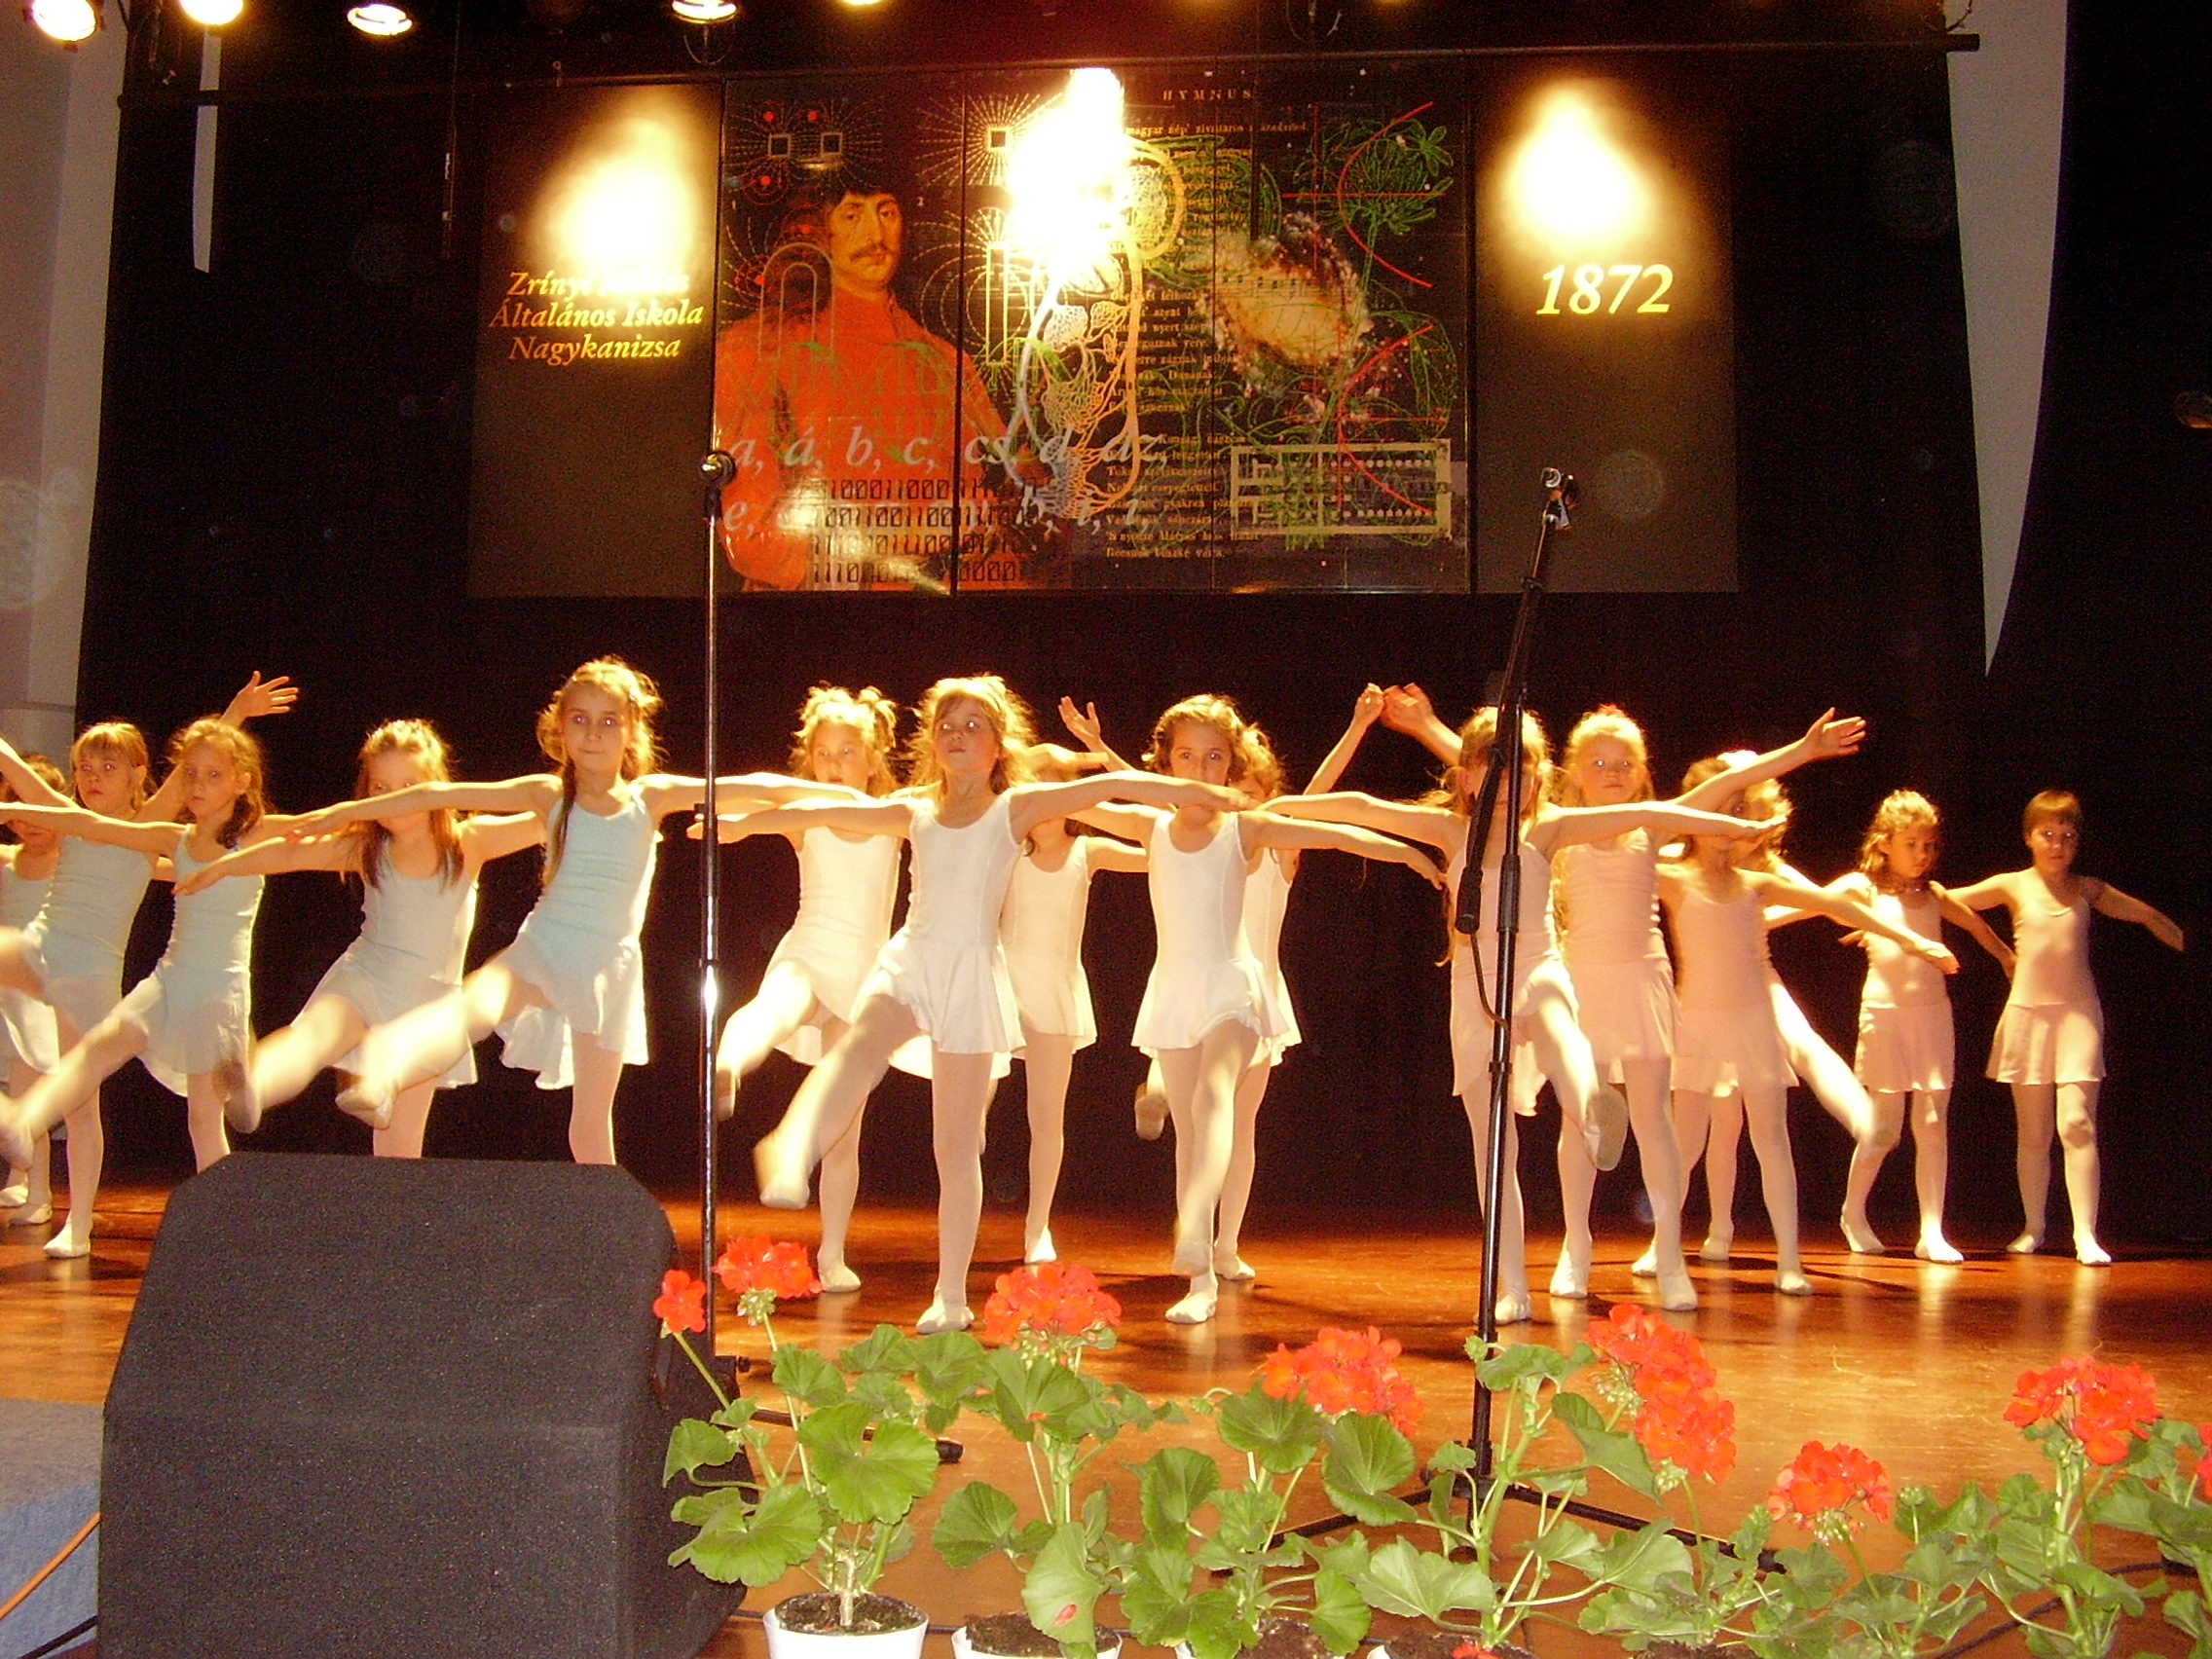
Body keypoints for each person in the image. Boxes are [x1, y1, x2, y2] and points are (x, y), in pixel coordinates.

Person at [742, 674, 1250, 1335]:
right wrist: (749, 823)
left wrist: (1200, 793)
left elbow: (1106, 789)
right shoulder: (916, 807)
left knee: (954, 1148)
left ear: (998, 742)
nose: (958, 735)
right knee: (862, 1042)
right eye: (947, 726)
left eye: (973, 725)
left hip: (972, 974)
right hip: (913, 958)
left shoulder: (1015, 808)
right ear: (932, 741)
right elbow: (829, 809)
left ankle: (951, 1295)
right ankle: (792, 1147)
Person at [1273, 706, 1778, 1324]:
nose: (1513, 781)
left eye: (1525, 768)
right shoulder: (1450, 831)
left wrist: (1726, 824)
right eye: (1497, 768)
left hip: (1539, 965)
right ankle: (1512, 1283)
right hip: (1476, 986)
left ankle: (1591, 1107)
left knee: (1557, 1018)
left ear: (1540, 777)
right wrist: (1274, 808)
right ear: (1467, 776)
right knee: (1494, 1147)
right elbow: (1360, 806)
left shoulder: (1549, 829)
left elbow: (1654, 813)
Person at [281, 658, 800, 1166]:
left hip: (607, 964)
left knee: (591, 1120)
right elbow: (438, 793)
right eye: (580, 719)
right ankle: (384, 1068)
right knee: (476, 1004)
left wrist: (833, 795)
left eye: (608, 721)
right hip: (544, 944)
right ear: (560, 728)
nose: (593, 734)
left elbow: (758, 786)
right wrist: (346, 811)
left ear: (631, 730)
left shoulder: (650, 796)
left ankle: (606, 1215)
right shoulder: (548, 793)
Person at [1065, 692, 1445, 1324]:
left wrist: (1405, 851)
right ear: (1165, 764)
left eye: (1214, 757)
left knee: (1216, 1097)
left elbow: (1331, 832)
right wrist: (1070, 760)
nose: (1200, 769)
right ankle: (1201, 1280)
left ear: (1231, 765)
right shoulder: (1150, 828)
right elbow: (1074, 799)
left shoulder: (1246, 829)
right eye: (1186, 757)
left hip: (1233, 987)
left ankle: (1202, 1231)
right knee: (1191, 1135)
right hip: (1175, 990)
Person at [0, 674, 293, 1257]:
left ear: (140, 776)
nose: (92, 777)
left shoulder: (147, 828)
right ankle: (27, 1143)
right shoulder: (70, 816)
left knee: (85, 1100)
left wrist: (237, 710)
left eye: (109, 767)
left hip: (89, 973)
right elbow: (18, 773)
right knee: (61, 1075)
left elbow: (196, 767)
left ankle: (79, 1222)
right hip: (42, 948)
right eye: (85, 768)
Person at [1658, 756, 1959, 1296]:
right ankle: (1667, 1244)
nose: (1733, 821)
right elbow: (1616, 854)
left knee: (1777, 1115)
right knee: (1691, 1139)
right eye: (1722, 809)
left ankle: (1791, 1254)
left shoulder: (1758, 877)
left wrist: (1914, 941)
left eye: (1740, 809)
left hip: (1753, 1000)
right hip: (1699, 1016)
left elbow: (1833, 904)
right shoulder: (1672, 871)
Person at [176, 719, 541, 1157]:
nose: (394, 799)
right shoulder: (366, 847)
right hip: (365, 975)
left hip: (426, 1006)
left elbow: (547, 816)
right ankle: (256, 1084)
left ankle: (377, 1082)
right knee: (315, 1034)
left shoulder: (469, 843)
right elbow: (292, 853)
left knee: (399, 1146)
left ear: (436, 787)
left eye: (409, 786)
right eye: (380, 788)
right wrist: (223, 866)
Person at [703, 684, 924, 1294]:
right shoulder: (806, 808)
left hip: (863, 974)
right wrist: (721, 810)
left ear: (873, 758)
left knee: (843, 1126)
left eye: (847, 752)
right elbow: (757, 784)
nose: (832, 765)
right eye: (822, 753)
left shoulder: (894, 812)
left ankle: (832, 1253)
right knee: (776, 1004)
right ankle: (727, 1064)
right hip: (809, 947)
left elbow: (956, 802)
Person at [712, 182, 1024, 591]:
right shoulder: (756, 349)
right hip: (817, 615)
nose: (875, 236)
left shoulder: (947, 360)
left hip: (953, 610)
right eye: (853, 214)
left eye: (887, 212)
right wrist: (889, 544)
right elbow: (753, 538)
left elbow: (988, 508)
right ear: (817, 228)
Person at [1947, 791, 2184, 1265]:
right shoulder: (2012, 885)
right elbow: (1942, 901)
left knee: (2076, 1123)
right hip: (2028, 1016)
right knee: (2034, 1133)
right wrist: (1887, 924)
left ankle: (2084, 1234)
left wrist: (2176, 934)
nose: (2057, 845)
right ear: (2029, 837)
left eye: (2068, 836)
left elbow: (2146, 914)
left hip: (2077, 1016)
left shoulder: (2087, 889)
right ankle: (2034, 1227)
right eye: (2048, 834)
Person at [1821, 791, 2013, 1261]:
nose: (1922, 854)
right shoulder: (1864, 888)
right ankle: (1852, 1212)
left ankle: (1931, 1231)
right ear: (1885, 843)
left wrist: (2007, 957)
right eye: (1911, 844)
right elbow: (1806, 902)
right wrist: (1757, 919)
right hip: (1885, 1017)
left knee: (1931, 1122)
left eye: (1929, 846)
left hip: (1932, 1017)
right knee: (1885, 1128)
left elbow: (1976, 925)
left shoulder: (1933, 895)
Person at [0, 758, 65, 1225]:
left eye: (36, 810)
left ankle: (39, 1191)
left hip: (49, 990)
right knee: (19, 1088)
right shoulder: (8, 860)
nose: (27, 822)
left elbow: (148, 862)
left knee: (34, 1089)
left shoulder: (73, 860)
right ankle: (21, 1178)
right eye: (16, 811)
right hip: (9, 987)